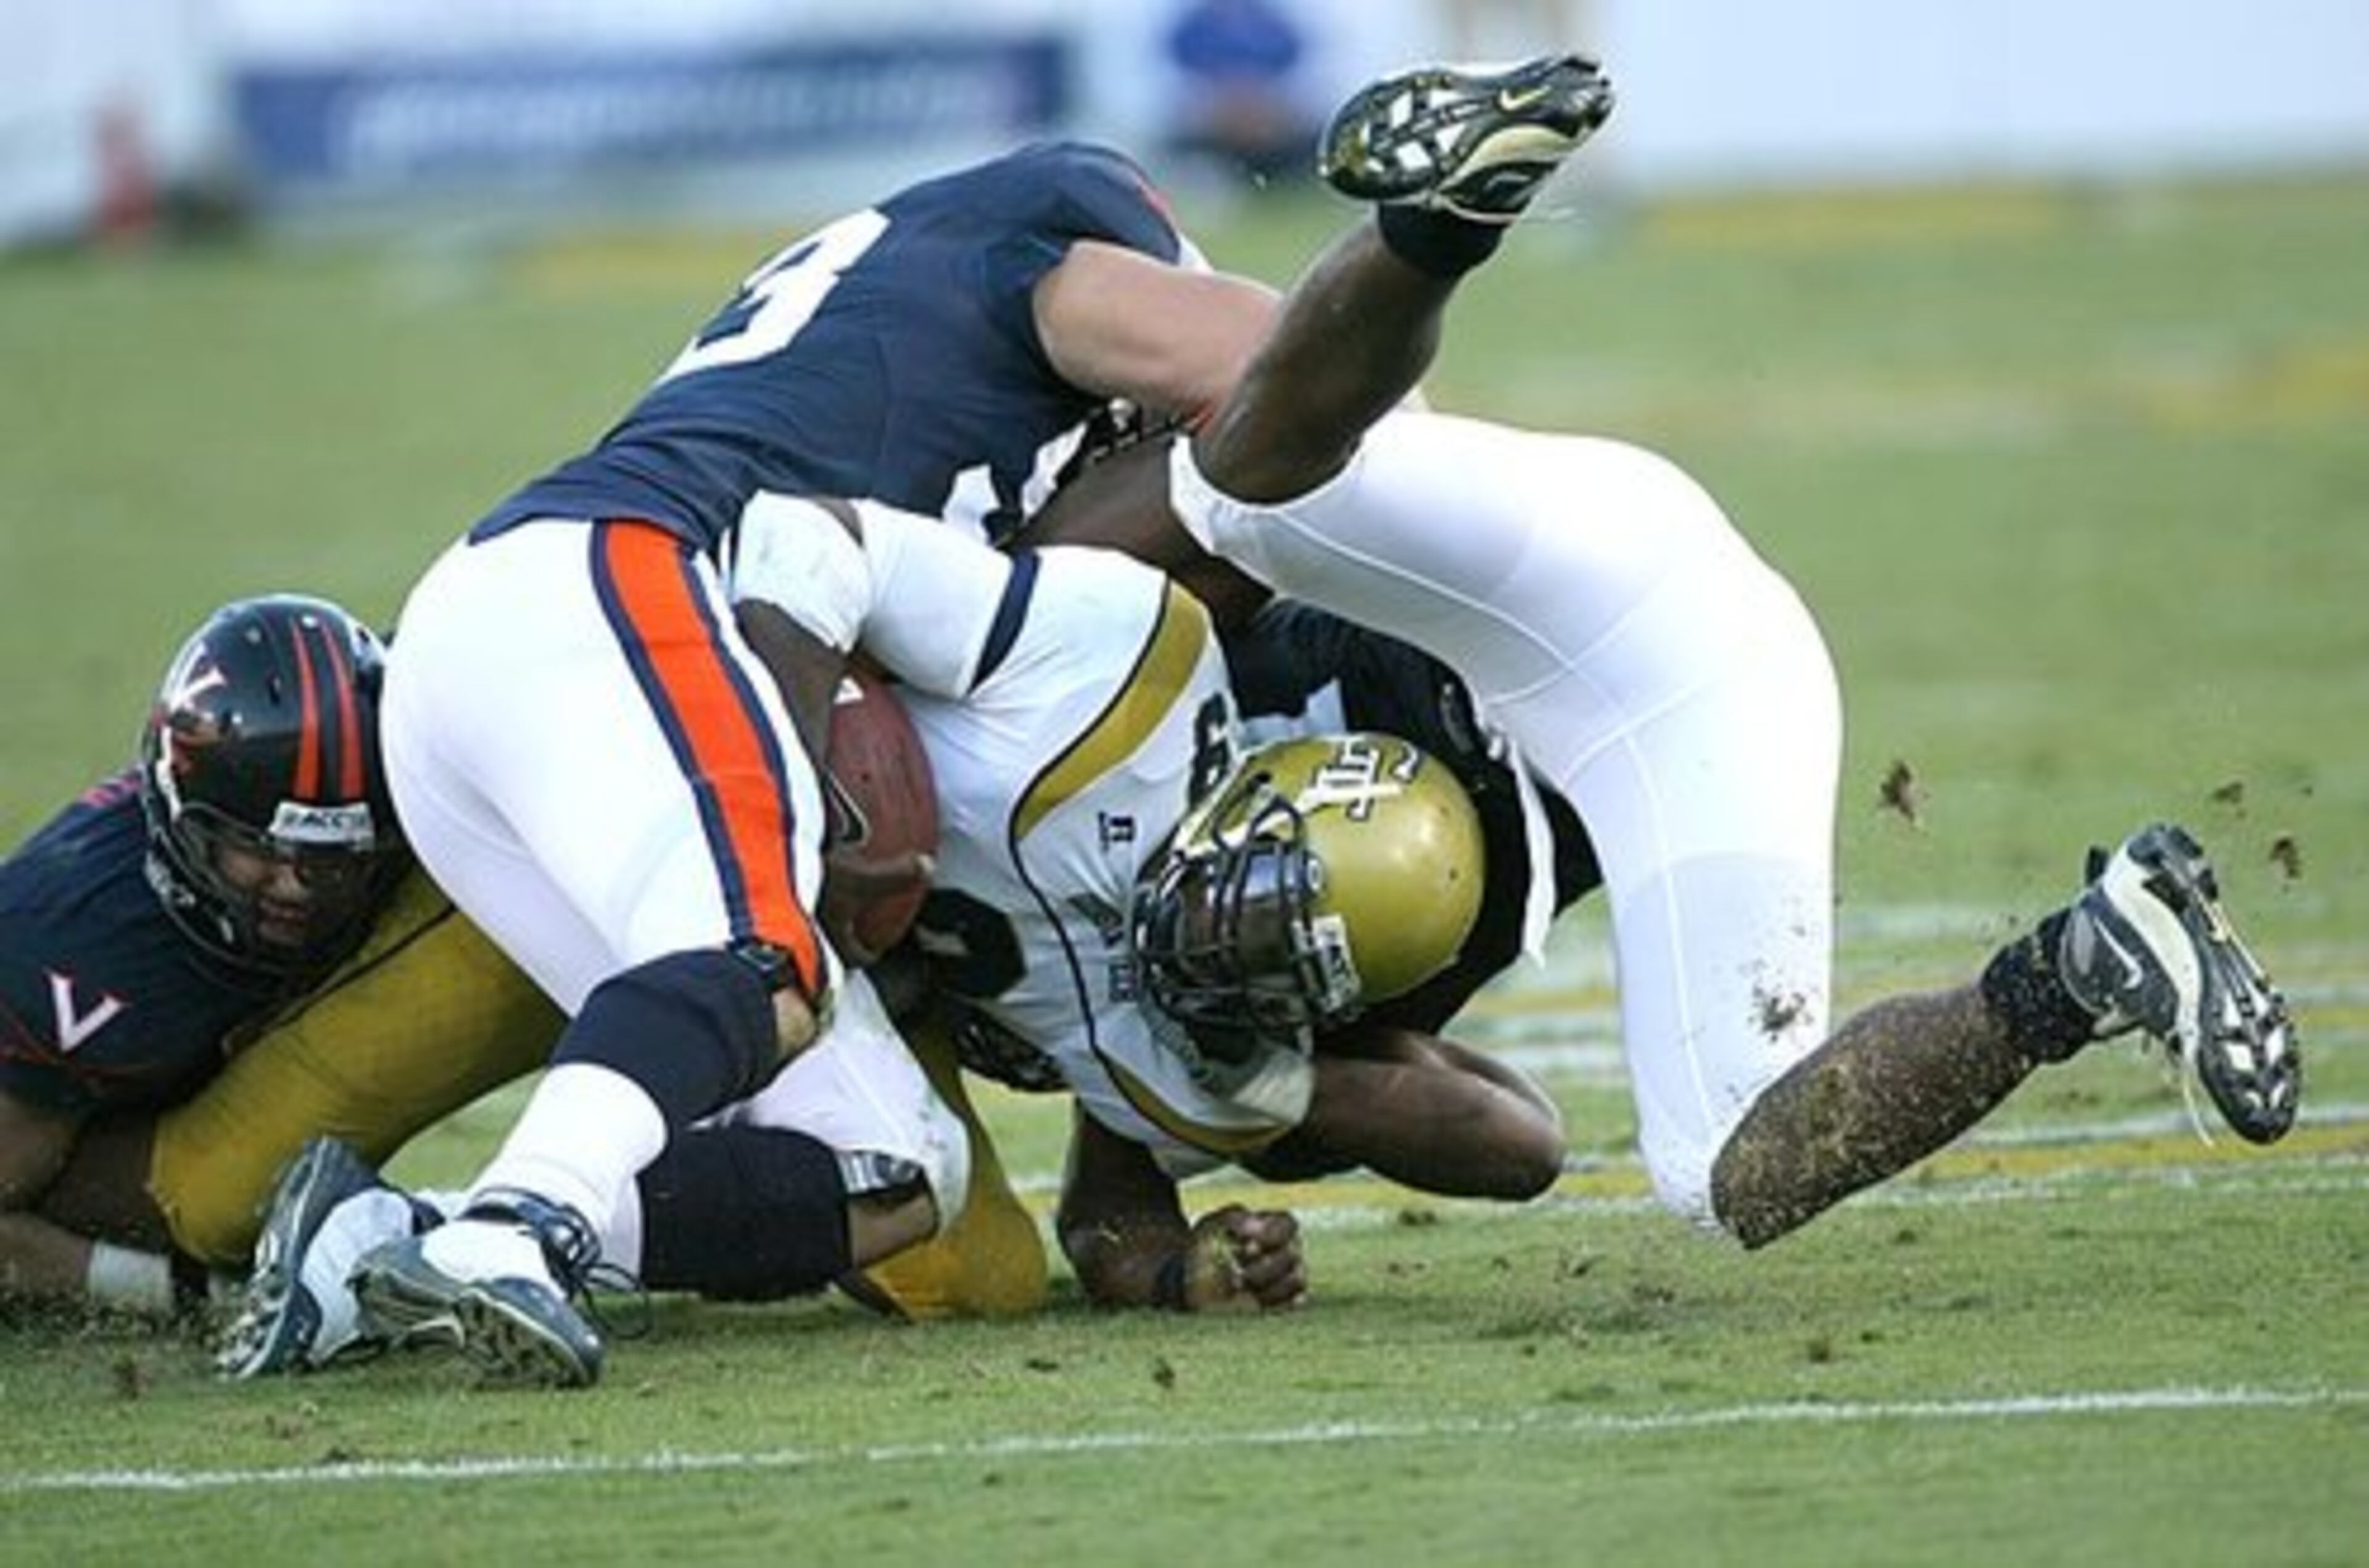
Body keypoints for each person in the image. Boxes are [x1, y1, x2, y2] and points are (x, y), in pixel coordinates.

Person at [1036, 52, 2301, 1247]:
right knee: (1721, 1172)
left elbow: (1062, 575)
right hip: (1682, 684)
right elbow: (1511, 1145)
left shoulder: (1044, 756)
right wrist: (1264, 1087)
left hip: (1540, 572)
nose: (1217, 930)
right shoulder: (1156, 1021)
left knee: (1227, 499)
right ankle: (2092, 955)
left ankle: (1441, 218)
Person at [323, 137, 1319, 1390]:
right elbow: (1301, 378)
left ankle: (382, 1241)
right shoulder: (1029, 261)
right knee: (759, 945)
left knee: (895, 1168)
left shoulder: (903, 346)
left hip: (528, 662)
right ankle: (518, 1227)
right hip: (615, 574)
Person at [0, 595, 557, 1322]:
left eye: (331, 862)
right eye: (259, 854)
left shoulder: (412, 743)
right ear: (180, 818)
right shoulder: (75, 948)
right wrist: (181, 1295)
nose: (295, 886)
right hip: (102, 1147)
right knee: (218, 1200)